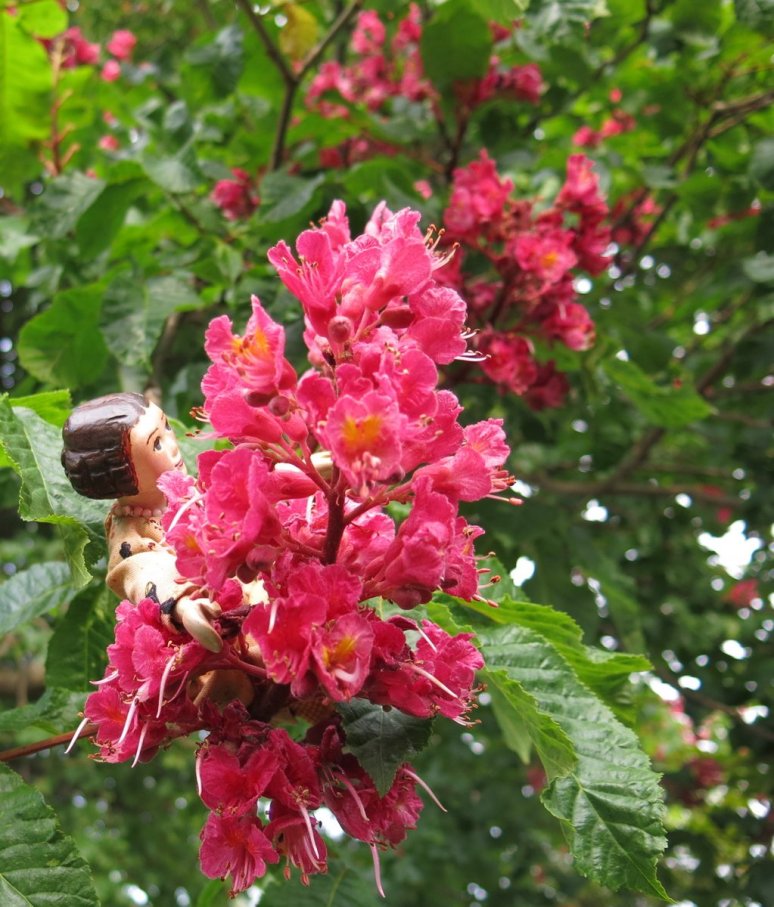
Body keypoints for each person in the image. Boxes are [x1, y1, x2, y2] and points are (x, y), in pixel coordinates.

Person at [62, 392, 223, 652]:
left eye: (167, 427)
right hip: (219, 627)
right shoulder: (130, 533)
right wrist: (182, 606)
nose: (173, 445)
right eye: (156, 443)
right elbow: (143, 571)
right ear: (123, 472)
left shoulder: (187, 490)